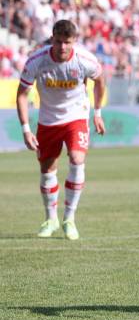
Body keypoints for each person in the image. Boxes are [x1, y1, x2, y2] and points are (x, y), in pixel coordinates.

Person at [15, 20, 106, 240]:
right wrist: (26, 129)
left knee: (77, 158)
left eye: (67, 42)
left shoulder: (84, 60)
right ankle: (51, 219)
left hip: (76, 116)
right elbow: (22, 95)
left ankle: (69, 219)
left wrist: (97, 112)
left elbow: (100, 82)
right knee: (47, 170)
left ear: (74, 41)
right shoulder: (37, 60)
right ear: (52, 39)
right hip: (48, 120)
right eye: (58, 41)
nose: (62, 47)